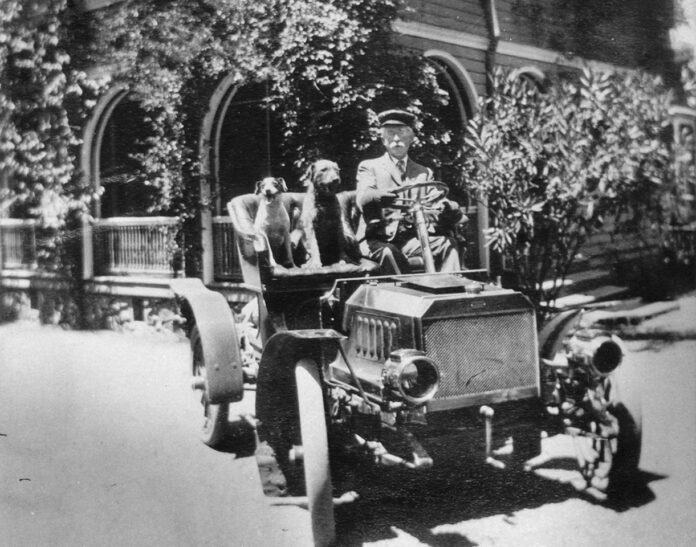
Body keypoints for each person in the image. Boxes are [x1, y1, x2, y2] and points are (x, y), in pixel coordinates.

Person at [355, 108, 463, 273]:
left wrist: (446, 206)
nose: (396, 139)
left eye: (402, 133)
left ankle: (450, 290)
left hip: (412, 240)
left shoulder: (423, 172)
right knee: (389, 253)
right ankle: (404, 296)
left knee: (448, 244)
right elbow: (363, 198)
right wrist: (379, 197)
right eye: (391, 134)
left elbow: (435, 199)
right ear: (383, 139)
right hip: (376, 240)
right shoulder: (369, 167)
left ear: (411, 138)